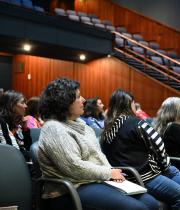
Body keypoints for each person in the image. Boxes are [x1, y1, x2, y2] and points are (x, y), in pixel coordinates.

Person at [38, 78, 159, 210]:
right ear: (63, 101)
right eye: (78, 96)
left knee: (151, 203)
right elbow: (73, 167)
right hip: (69, 190)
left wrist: (112, 174)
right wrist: (109, 174)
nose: (83, 100)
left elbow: (98, 157)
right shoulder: (53, 128)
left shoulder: (82, 125)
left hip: (94, 181)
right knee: (138, 208)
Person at [102, 89, 180, 210]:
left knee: (173, 170)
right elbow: (159, 145)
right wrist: (164, 167)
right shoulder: (136, 123)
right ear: (130, 104)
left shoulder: (107, 127)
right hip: (141, 176)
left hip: (122, 175)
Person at [0, 90, 30, 159]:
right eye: (22, 102)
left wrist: (25, 129)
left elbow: (28, 147)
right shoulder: (1, 121)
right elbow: (12, 153)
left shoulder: (17, 121)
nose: (26, 106)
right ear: (11, 105)